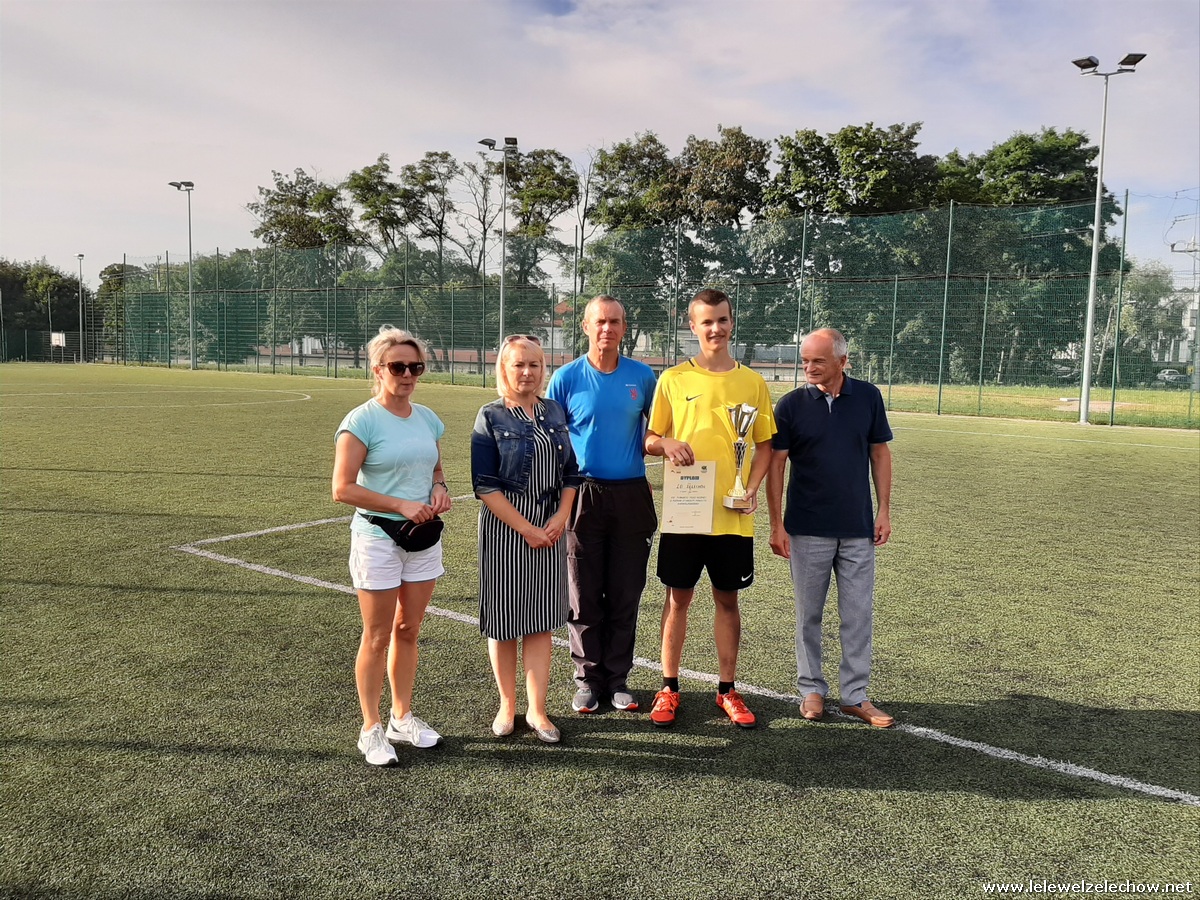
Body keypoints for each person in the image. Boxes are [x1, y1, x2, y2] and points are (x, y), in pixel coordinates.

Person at [643, 288, 776, 729]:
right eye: (706, 322)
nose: (715, 328)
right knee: (677, 598)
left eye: (722, 319)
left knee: (727, 598)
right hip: (685, 512)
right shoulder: (673, 379)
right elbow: (649, 439)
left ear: (731, 322)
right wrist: (666, 443)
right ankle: (668, 687)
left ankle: (727, 689)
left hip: (731, 514)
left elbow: (765, 446)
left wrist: (750, 488)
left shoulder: (753, 382)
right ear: (692, 326)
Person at [332, 325, 452, 766]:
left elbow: (435, 466)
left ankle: (402, 717)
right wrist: (401, 504)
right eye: (398, 367)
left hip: (422, 537)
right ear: (378, 369)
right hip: (378, 538)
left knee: (409, 630)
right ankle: (371, 728)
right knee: (378, 635)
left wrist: (439, 488)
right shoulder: (361, 421)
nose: (407, 375)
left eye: (415, 367)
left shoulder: (427, 417)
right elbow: (342, 488)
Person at [766, 327, 896, 728]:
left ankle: (855, 695)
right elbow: (776, 464)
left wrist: (884, 510)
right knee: (808, 616)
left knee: (857, 616)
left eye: (817, 361)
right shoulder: (790, 405)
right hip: (806, 529)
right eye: (804, 360)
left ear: (842, 361)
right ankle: (811, 689)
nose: (808, 367)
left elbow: (880, 453)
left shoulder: (869, 397)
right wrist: (776, 524)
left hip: (858, 530)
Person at [547, 296, 658, 715]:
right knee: (584, 592)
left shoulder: (642, 376)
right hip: (582, 495)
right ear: (585, 326)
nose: (607, 328)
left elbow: (656, 431)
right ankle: (588, 679)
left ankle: (618, 680)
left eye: (614, 321)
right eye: (600, 321)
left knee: (626, 592)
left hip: (631, 494)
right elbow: (553, 442)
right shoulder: (565, 378)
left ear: (624, 328)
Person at [471, 335, 583, 743]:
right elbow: (485, 485)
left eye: (534, 364)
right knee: (504, 623)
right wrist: (527, 528)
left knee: (540, 621)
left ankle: (537, 710)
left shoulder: (553, 411)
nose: (527, 372)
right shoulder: (490, 416)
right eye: (518, 364)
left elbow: (571, 472)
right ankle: (507, 705)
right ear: (504, 369)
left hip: (550, 527)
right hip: (507, 529)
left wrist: (561, 516)